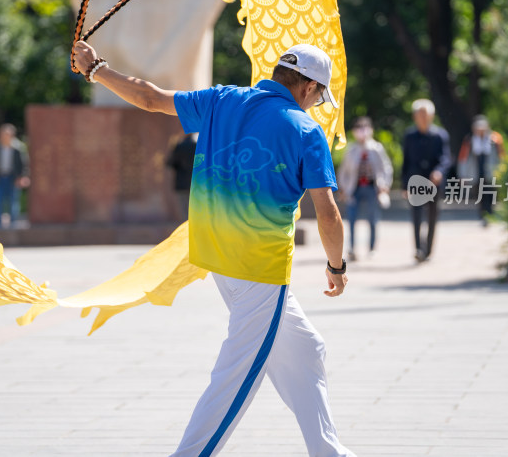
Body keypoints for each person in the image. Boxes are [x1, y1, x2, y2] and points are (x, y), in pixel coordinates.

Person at [73, 40, 355, 457]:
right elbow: (327, 213)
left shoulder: (223, 99)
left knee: (306, 350)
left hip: (217, 257)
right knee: (235, 379)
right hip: (259, 268)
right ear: (309, 88)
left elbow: (150, 98)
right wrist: (337, 265)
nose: (316, 106)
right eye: (318, 98)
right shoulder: (304, 129)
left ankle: (329, 452)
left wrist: (96, 69)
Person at [401, 99, 451, 262]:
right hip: (415, 182)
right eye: (419, 114)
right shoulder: (409, 136)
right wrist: (404, 185)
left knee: (432, 216)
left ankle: (428, 250)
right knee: (416, 216)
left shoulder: (440, 135)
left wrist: (439, 171)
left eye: (425, 114)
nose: (422, 118)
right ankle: (418, 249)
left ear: (431, 116)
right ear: (414, 116)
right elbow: (406, 161)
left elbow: (446, 158)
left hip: (433, 183)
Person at [337, 116, 393, 260]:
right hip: (353, 189)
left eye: (364, 128)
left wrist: (385, 184)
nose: (362, 132)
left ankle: (372, 248)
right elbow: (344, 171)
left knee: (372, 218)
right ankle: (352, 249)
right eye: (358, 128)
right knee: (351, 219)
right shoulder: (351, 149)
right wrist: (342, 187)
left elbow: (386, 167)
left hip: (372, 187)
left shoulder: (376, 148)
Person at [457, 115, 505, 225]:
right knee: (480, 194)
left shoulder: (495, 139)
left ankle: (490, 213)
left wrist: (502, 170)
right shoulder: (469, 140)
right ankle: (483, 214)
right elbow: (463, 158)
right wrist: (462, 175)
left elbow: (501, 155)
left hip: (491, 170)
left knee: (491, 192)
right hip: (476, 171)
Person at [0, 123, 30, 228]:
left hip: (13, 178)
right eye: (3, 134)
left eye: (7, 134)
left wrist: (23, 177)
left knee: (13, 201)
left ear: (12, 135)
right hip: (0, 177)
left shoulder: (18, 148)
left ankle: (13, 223)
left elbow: (24, 164)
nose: (4, 136)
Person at [166, 132, 198, 221]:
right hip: (201, 185)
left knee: (185, 213)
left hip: (183, 184)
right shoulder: (207, 146)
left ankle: (187, 233)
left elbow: (170, 163)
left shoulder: (180, 145)